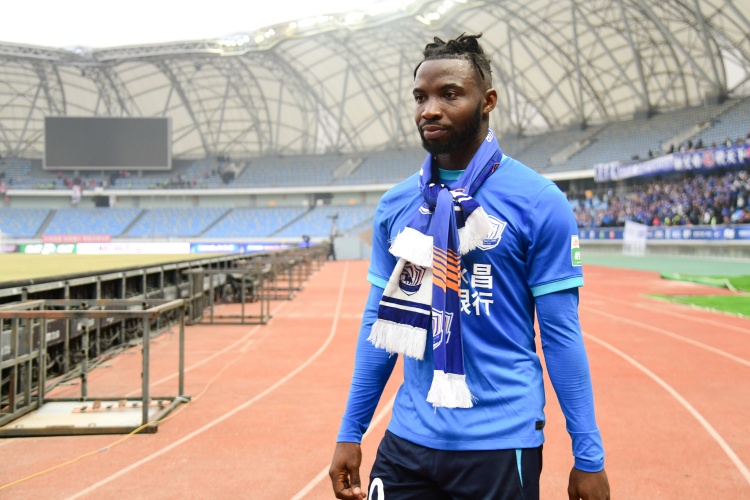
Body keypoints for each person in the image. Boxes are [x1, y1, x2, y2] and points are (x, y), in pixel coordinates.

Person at [329, 33, 610, 500]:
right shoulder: (396, 205)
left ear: (487, 102)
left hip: (500, 443)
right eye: (420, 97)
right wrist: (350, 431)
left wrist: (589, 456)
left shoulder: (539, 201)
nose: (430, 110)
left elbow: (561, 336)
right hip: (409, 437)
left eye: (450, 94)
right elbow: (378, 325)